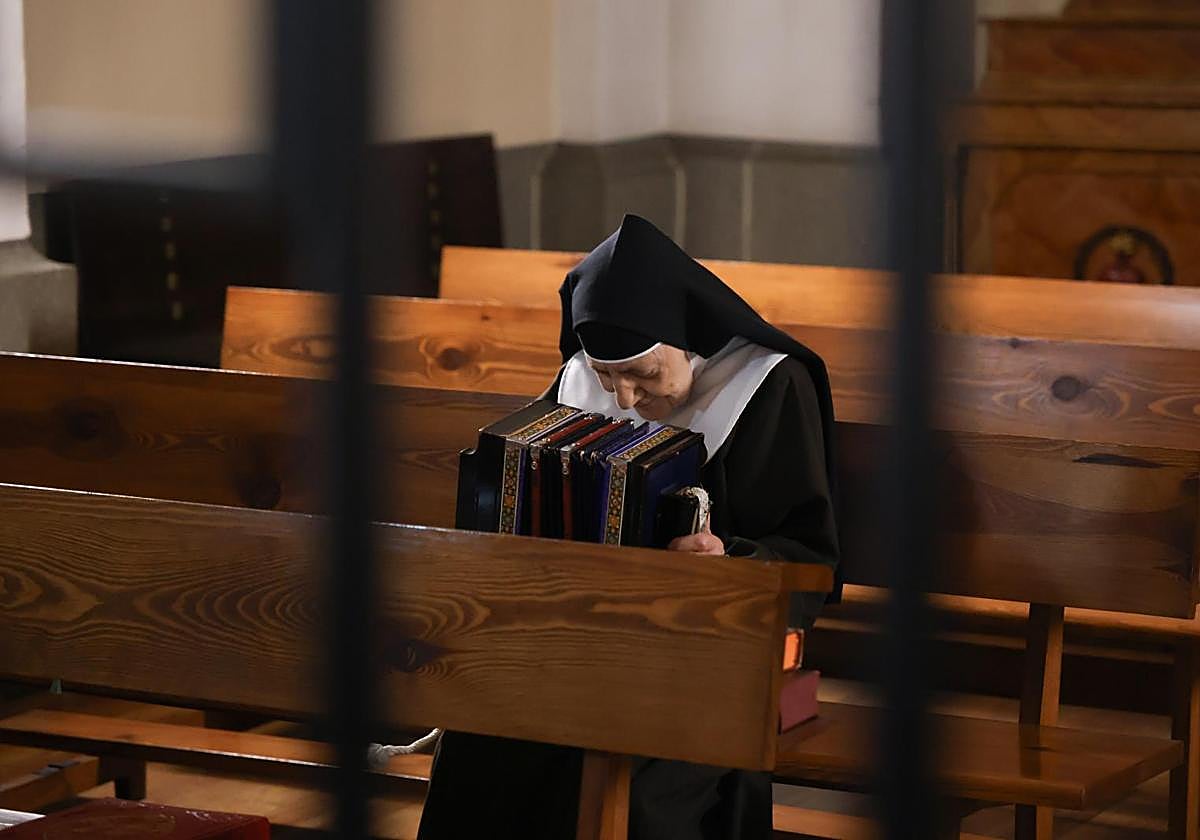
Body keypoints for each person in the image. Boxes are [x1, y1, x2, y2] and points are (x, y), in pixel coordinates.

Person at [417, 213, 840, 840]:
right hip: (581, 645)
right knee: (482, 748)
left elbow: (811, 559)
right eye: (607, 376)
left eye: (641, 376)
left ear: (687, 338)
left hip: (715, 656)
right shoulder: (579, 384)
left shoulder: (767, 387)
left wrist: (730, 564)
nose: (621, 400)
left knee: (631, 790)